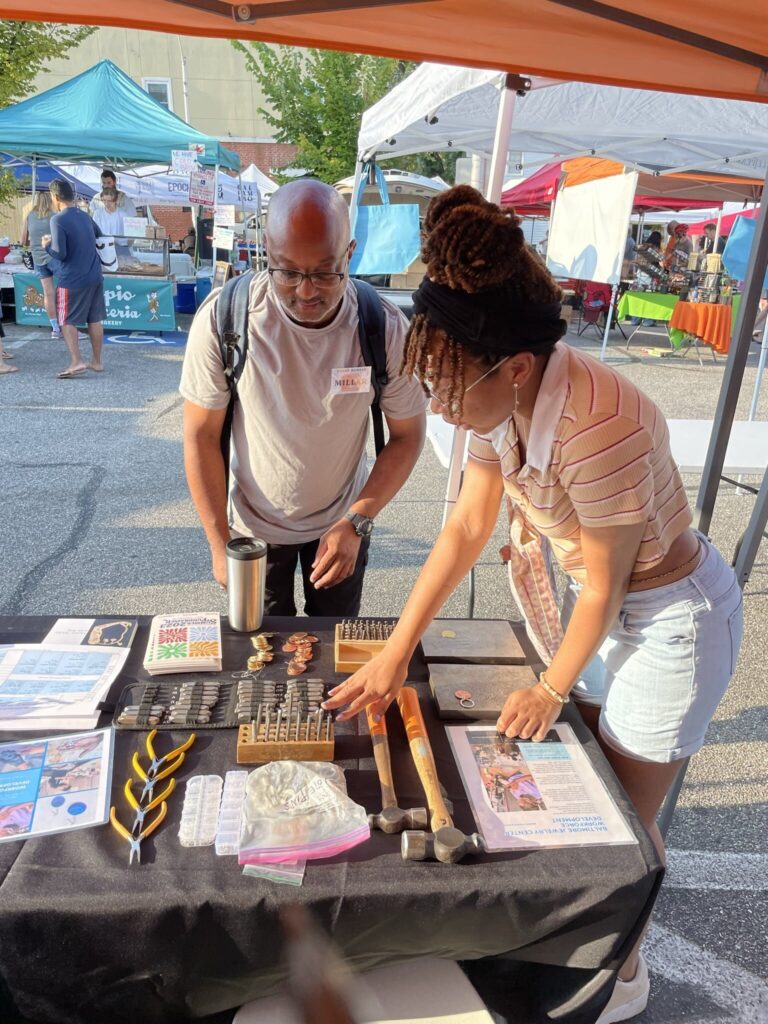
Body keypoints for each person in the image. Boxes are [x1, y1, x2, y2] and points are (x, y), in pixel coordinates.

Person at [324, 185, 743, 1023]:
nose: (439, 407)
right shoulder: (490, 392)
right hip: (598, 601)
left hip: (670, 618)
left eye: (448, 388)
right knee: (573, 788)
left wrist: (549, 686)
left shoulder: (601, 422)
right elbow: (468, 525)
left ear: (514, 366)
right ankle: (563, 948)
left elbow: (613, 579)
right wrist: (397, 647)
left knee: (624, 814)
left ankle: (618, 973)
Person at [180, 179, 426, 616]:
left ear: (350, 254)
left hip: (343, 524)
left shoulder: (381, 327)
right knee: (261, 653)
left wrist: (358, 520)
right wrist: (219, 543)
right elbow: (200, 435)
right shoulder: (226, 319)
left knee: (330, 647)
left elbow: (407, 436)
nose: (307, 291)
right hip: (252, 529)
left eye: (325, 272)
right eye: (288, 272)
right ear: (266, 254)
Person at [42, 178, 106, 379]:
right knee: (94, 319)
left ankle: (76, 361)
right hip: (94, 274)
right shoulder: (84, 215)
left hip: (72, 278)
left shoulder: (58, 219)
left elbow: (60, 253)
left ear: (55, 197)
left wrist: (46, 245)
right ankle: (96, 361)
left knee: (66, 319)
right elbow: (99, 235)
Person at [22, 190, 61, 340]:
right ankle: (69, 327)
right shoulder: (54, 216)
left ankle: (55, 329)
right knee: (65, 291)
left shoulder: (29, 216)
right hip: (54, 257)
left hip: (37, 258)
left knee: (48, 294)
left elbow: (23, 240)